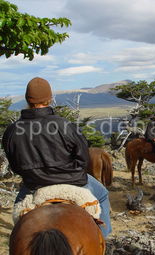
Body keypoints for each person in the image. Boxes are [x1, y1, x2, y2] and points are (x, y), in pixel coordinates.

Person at [1, 77, 112, 238]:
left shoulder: (12, 131)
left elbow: (15, 166)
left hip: (34, 185)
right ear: (50, 99)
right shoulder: (63, 124)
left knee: (19, 222)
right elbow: (83, 157)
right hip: (73, 181)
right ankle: (102, 239)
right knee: (102, 194)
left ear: (26, 99)